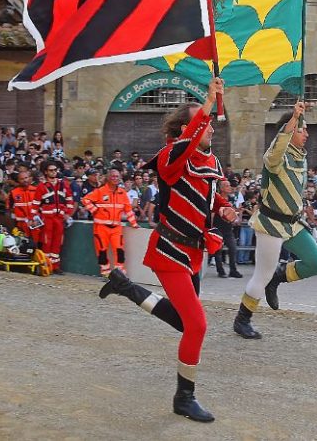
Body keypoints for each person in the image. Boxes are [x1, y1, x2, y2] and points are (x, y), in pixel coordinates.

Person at [99, 78, 235, 423]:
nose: (210, 129)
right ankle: (183, 398)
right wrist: (208, 100)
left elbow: (206, 195)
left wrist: (222, 208)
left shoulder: (210, 161)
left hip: (195, 253)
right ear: (187, 128)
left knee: (184, 323)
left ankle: (126, 287)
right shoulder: (171, 156)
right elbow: (188, 145)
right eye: (201, 124)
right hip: (171, 250)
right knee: (198, 326)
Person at [235, 100, 317, 338]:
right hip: (271, 223)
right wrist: (294, 118)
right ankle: (242, 320)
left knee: (316, 263)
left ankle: (279, 276)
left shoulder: (300, 157)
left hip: (293, 223)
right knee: (261, 275)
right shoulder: (277, 157)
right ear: (289, 129)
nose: (306, 133)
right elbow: (274, 152)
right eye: (301, 129)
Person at [82, 167, 137, 276]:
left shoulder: (122, 193)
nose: (115, 178)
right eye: (112, 176)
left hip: (116, 228)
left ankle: (119, 272)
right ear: (108, 177)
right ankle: (105, 272)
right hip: (101, 227)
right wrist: (94, 210)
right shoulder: (100, 191)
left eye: (117, 176)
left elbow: (128, 209)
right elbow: (85, 200)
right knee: (102, 251)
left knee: (119, 250)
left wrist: (134, 223)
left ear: (120, 178)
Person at [33, 159, 75, 274]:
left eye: (55, 170)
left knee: (57, 243)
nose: (53, 172)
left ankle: (55, 266)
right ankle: (46, 266)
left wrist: (67, 213)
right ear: (46, 172)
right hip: (47, 219)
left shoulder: (64, 185)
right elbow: (35, 205)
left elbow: (70, 200)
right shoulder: (41, 187)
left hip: (59, 219)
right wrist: (35, 217)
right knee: (46, 243)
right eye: (51, 170)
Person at [7, 169, 40, 243]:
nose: (25, 180)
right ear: (18, 180)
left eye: (26, 178)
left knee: (37, 243)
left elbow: (41, 206)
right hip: (21, 224)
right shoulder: (13, 192)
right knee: (24, 244)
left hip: (35, 222)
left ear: (29, 178)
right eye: (22, 179)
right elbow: (9, 207)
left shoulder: (36, 190)